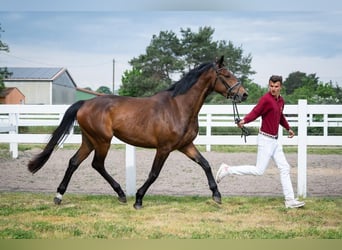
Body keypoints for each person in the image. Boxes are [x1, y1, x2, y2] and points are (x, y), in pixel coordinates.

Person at [216, 75, 305, 208]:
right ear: (269, 85)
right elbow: (255, 112)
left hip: (275, 141)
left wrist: (288, 128)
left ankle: (290, 200)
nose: (273, 89)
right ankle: (227, 170)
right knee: (259, 170)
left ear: (280, 87)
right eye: (271, 86)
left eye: (276, 86)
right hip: (265, 139)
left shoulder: (281, 101)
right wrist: (244, 121)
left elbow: (280, 116)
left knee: (285, 167)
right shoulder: (266, 99)